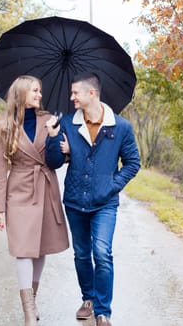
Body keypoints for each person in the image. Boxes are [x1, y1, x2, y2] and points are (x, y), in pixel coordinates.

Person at [45, 71, 141, 326]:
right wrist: (55, 139)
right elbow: (54, 162)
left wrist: (113, 185)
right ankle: (88, 299)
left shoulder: (120, 127)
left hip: (105, 203)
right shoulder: (67, 123)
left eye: (75, 93)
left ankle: (103, 312)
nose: (71, 97)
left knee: (102, 252)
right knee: (81, 254)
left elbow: (133, 163)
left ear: (91, 93)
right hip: (75, 200)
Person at [0, 75, 69, 326]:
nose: (39, 95)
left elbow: (57, 161)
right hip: (19, 192)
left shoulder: (49, 120)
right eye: (35, 91)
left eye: (40, 91)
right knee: (23, 251)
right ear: (22, 93)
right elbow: (0, 170)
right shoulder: (6, 126)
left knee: (41, 249)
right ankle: (28, 314)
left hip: (45, 188)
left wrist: (55, 138)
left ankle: (32, 301)